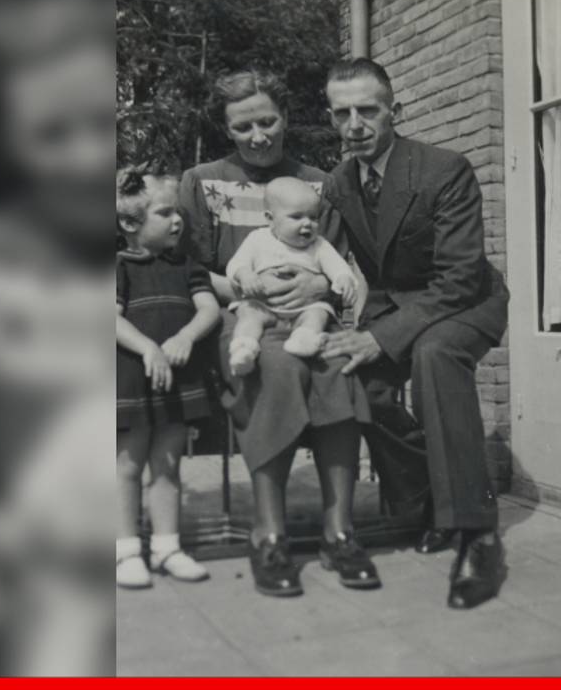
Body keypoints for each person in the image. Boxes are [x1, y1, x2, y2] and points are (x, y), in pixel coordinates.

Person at [320, 58, 510, 610]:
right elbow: (326, 262)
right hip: (396, 306)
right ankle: (430, 502)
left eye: (367, 110)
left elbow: (458, 277)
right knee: (358, 383)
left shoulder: (444, 168)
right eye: (342, 113)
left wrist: (381, 337)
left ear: (394, 111)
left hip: (468, 300)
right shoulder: (338, 183)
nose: (355, 124)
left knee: (433, 354)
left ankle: (477, 534)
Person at [180, 70, 377, 597]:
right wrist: (251, 289)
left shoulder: (321, 183)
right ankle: (269, 533)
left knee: (337, 364)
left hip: (312, 316)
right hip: (240, 318)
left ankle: (341, 531)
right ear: (227, 129)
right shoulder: (203, 181)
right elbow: (190, 269)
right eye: (243, 126)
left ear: (286, 117)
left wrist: (316, 286)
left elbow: (337, 265)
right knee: (278, 368)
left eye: (268, 121)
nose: (259, 135)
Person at [114, 170, 219, 588]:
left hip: (177, 377)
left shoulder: (186, 265)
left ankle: (167, 547)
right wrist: (148, 348)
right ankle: (125, 552)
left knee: (168, 463)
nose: (177, 220)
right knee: (127, 464)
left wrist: (185, 336)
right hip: (132, 376)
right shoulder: (120, 265)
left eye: (177, 212)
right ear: (130, 223)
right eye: (164, 212)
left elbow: (209, 309)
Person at [224, 177, 358, 376]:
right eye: (296, 217)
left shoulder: (319, 245)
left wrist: (343, 279)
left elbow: (338, 266)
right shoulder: (257, 239)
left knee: (319, 313)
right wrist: (245, 276)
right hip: (264, 303)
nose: (307, 224)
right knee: (248, 313)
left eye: (313, 217)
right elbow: (236, 264)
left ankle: (304, 338)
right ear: (270, 219)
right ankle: (244, 348)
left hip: (305, 307)